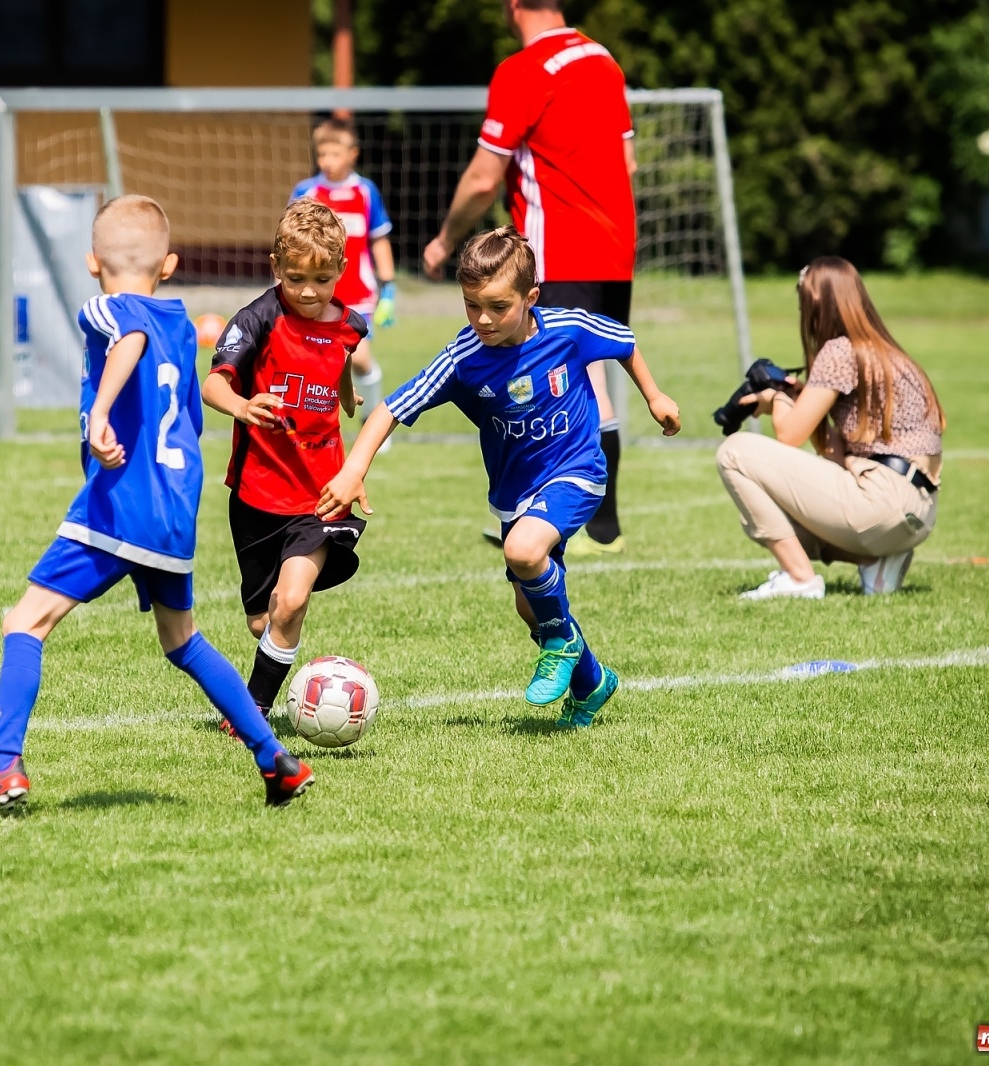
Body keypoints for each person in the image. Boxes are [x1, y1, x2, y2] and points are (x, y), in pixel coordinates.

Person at [0, 195, 314, 819]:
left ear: (93, 262)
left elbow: (127, 338)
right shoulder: (179, 321)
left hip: (122, 502)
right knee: (182, 640)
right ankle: (274, 757)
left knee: (24, 622)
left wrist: (101, 416)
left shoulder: (109, 308)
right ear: (168, 264)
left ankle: (1, 767)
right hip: (174, 511)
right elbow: (189, 415)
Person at [319, 228, 681, 730]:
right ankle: (591, 681)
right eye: (471, 305)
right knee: (529, 606)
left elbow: (624, 342)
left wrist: (654, 396)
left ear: (531, 298)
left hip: (577, 469)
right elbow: (390, 408)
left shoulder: (567, 329)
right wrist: (354, 469)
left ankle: (563, 643)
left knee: (524, 553)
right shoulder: (463, 359)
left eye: (497, 306)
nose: (483, 319)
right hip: (515, 494)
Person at [424, 0, 640, 555]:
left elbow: (482, 177)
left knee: (570, 382)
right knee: (593, 379)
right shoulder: (603, 60)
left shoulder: (522, 69)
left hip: (557, 251)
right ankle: (594, 524)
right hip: (616, 248)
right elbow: (629, 163)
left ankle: (588, 525)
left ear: (513, 5)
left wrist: (447, 239)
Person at [203, 199, 369, 727]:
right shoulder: (256, 320)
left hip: (320, 494)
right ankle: (273, 650)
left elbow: (337, 357)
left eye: (322, 279)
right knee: (263, 620)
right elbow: (212, 384)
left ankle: (252, 710)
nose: (308, 291)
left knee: (291, 600)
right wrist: (242, 406)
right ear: (276, 269)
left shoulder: (351, 325)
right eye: (295, 278)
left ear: (341, 272)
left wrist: (344, 395)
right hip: (256, 494)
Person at [716, 257, 944, 600]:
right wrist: (803, 399)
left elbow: (789, 435)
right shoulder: (888, 353)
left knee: (734, 453)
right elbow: (837, 453)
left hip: (883, 501)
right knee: (773, 506)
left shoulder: (839, 351)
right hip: (917, 511)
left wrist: (776, 400)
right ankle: (874, 561)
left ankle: (799, 580)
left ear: (816, 305)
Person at [290, 118, 396, 437]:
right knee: (310, 360)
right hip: (314, 293)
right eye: (322, 155)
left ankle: (373, 423)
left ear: (353, 154)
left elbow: (379, 239)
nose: (327, 161)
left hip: (358, 295)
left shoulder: (365, 192)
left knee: (359, 360)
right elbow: (289, 240)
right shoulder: (305, 192)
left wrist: (388, 287)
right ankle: (311, 423)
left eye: (335, 154)